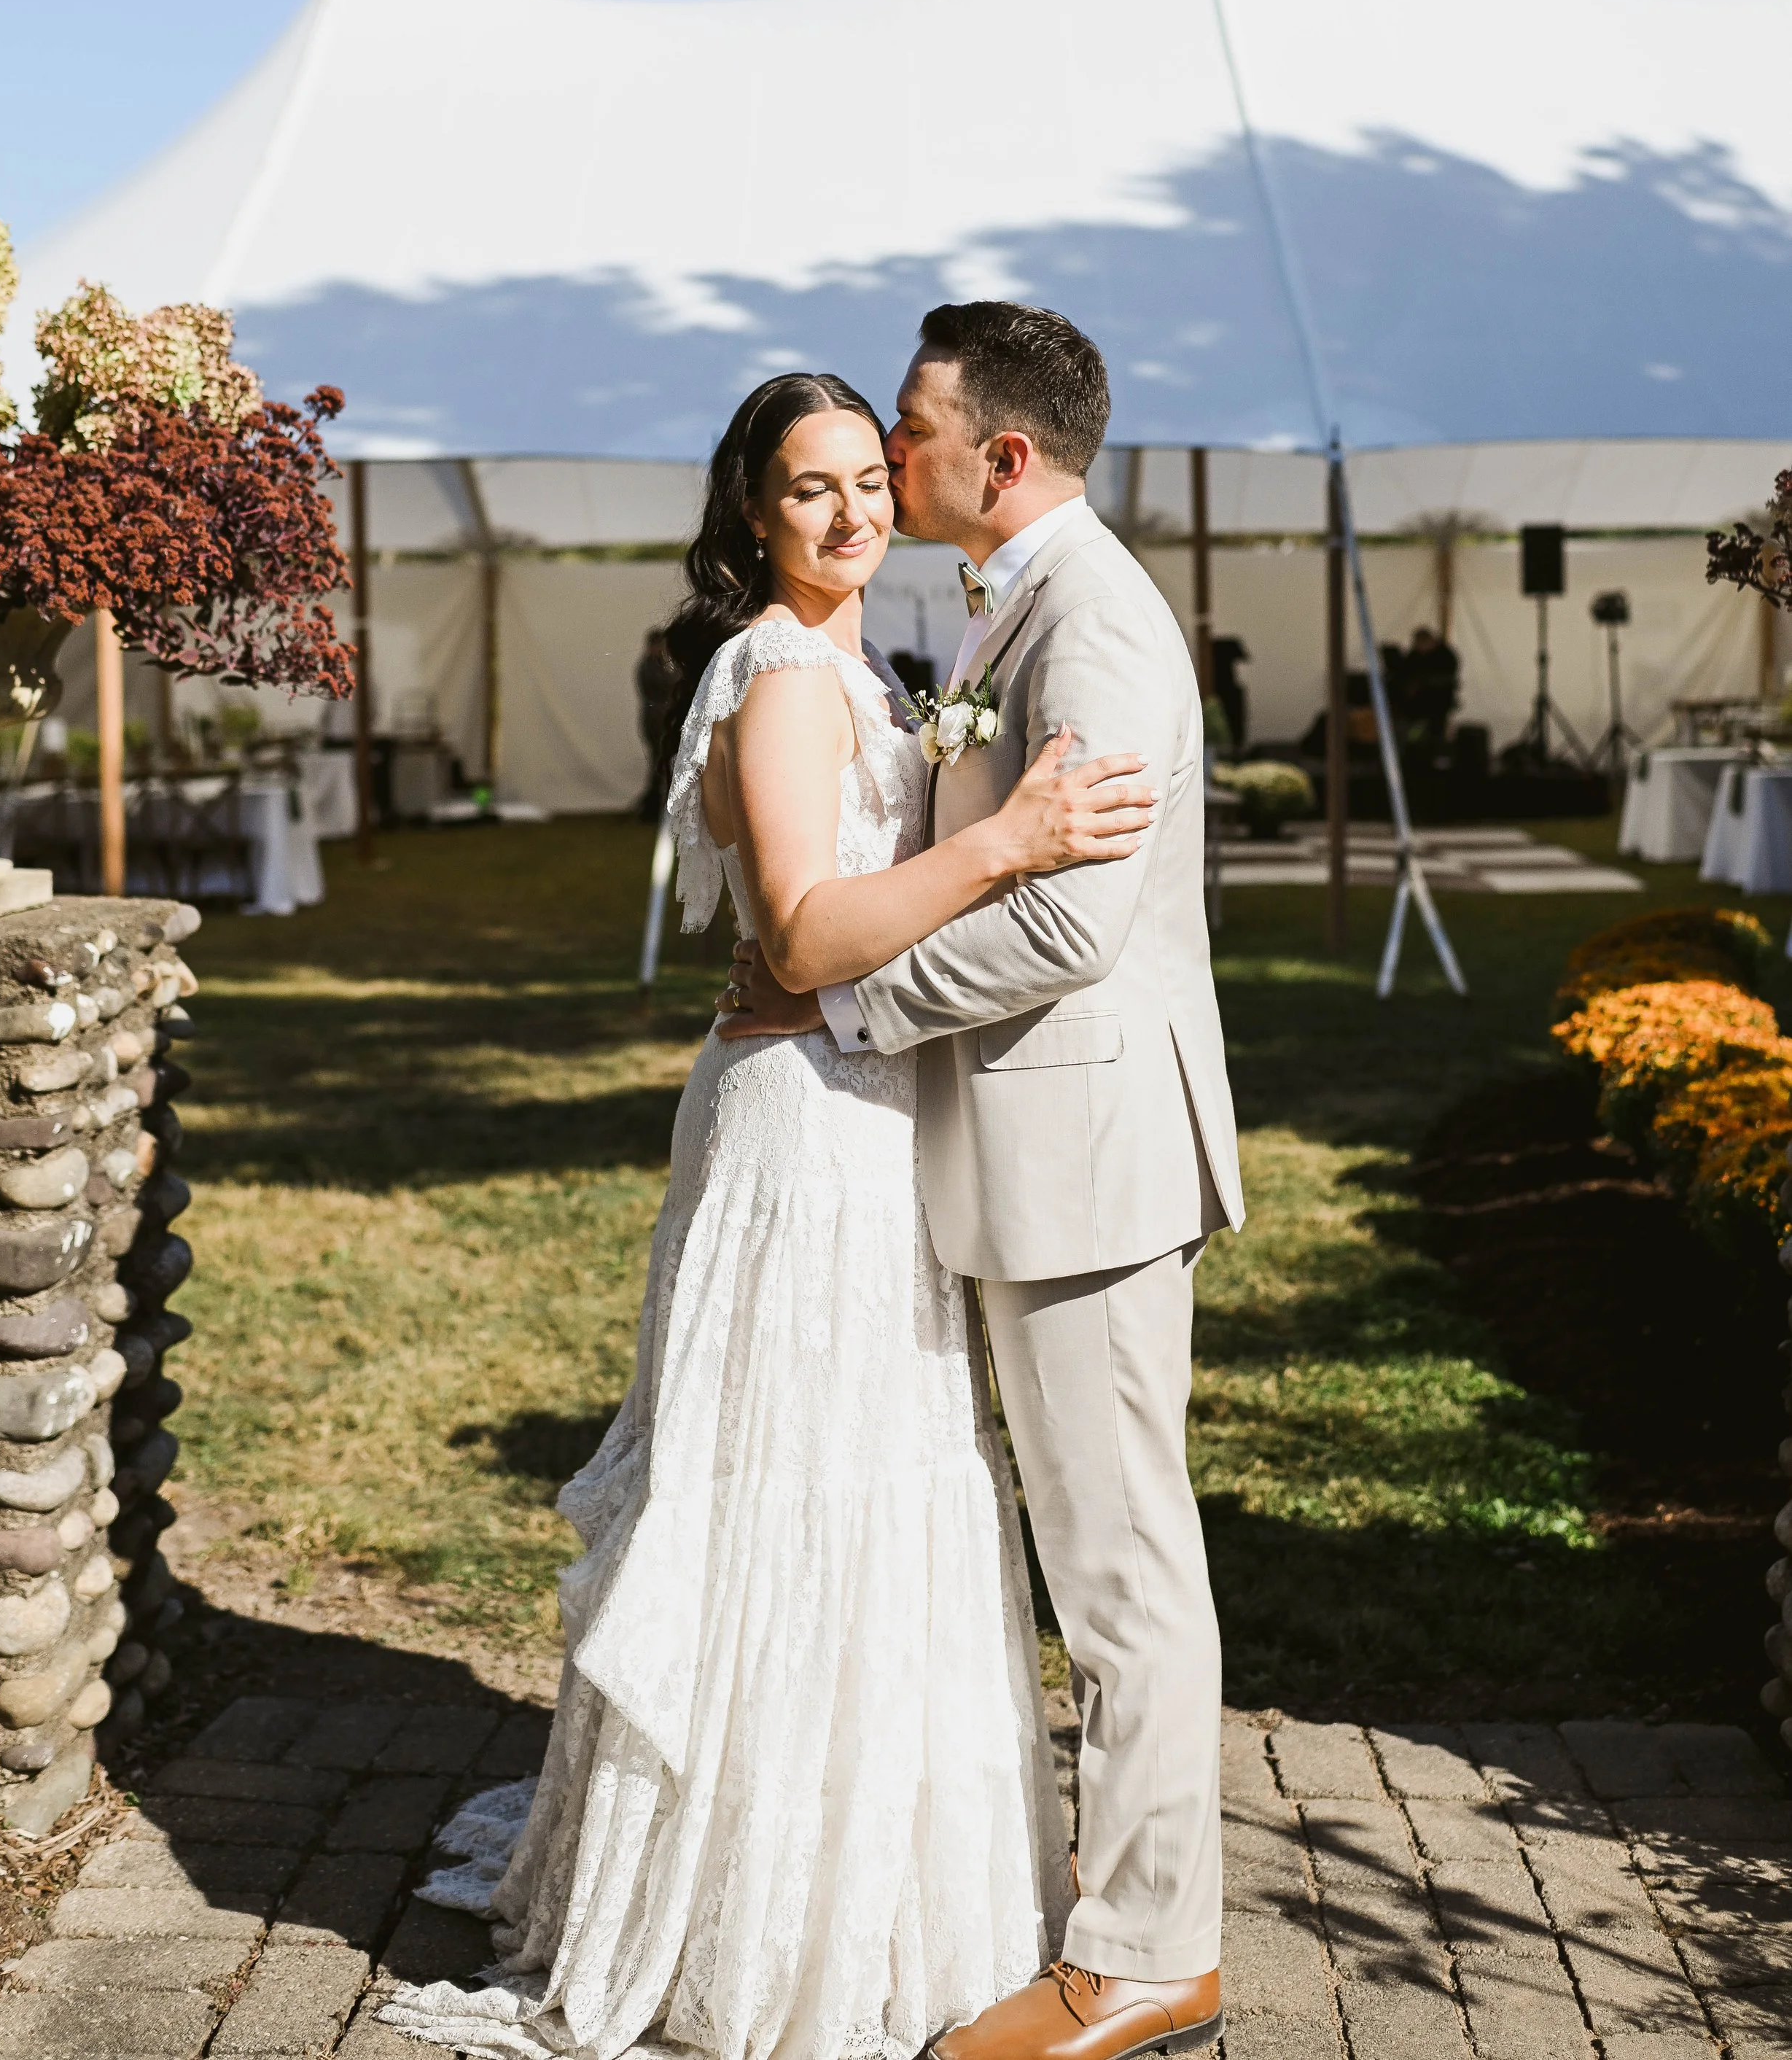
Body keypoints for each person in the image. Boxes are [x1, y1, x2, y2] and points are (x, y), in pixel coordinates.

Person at [381, 366, 1156, 2060]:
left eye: (872, 476)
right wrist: (1011, 832)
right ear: (753, 510)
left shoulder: (854, 666)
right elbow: (803, 936)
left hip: (864, 1113)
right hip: (807, 1130)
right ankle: (769, 1908)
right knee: (801, 1483)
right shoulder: (783, 674)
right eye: (811, 487)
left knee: (874, 1475)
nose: (854, 510)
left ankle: (875, 1877)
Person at [725, 302, 1242, 2060]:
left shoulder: (1088, 623)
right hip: (1028, 1142)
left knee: (1119, 1565)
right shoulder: (1014, 604)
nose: (900, 458)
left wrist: (848, 994)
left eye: (920, 430)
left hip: (1088, 1148)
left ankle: (1151, 1949)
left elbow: (1072, 917)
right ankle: (1116, 1911)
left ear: (999, 456)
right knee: (1096, 1549)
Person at [634, 626, 680, 820]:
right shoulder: (649, 666)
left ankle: (652, 808)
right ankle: (650, 809)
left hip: (659, 722)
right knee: (658, 765)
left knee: (660, 765)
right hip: (656, 723)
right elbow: (665, 686)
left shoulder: (656, 664)